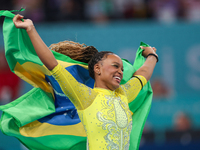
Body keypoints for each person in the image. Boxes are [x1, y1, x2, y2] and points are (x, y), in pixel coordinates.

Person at [12, 14, 158, 150]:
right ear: (97, 69)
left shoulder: (124, 94)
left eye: (121, 68)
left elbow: (143, 75)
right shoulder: (86, 97)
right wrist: (31, 29)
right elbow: (53, 65)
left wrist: (151, 55)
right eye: (115, 66)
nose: (120, 71)